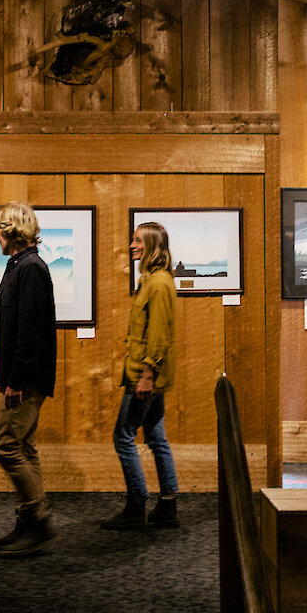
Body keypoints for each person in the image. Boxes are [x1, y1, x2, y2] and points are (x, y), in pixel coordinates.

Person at [0, 201, 58, 556]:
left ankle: (37, 522)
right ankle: (29, 524)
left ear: (11, 232)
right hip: (21, 376)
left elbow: (29, 332)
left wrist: (15, 380)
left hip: (24, 380)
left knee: (6, 447)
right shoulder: (21, 266)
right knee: (24, 446)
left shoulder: (29, 268)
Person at [101, 221, 179, 529]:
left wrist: (147, 374)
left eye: (137, 241)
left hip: (145, 376)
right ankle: (168, 505)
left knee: (123, 437)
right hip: (148, 374)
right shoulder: (152, 281)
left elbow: (158, 335)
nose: (132, 245)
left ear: (152, 246)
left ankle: (136, 506)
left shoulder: (158, 284)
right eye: (132, 240)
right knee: (157, 437)